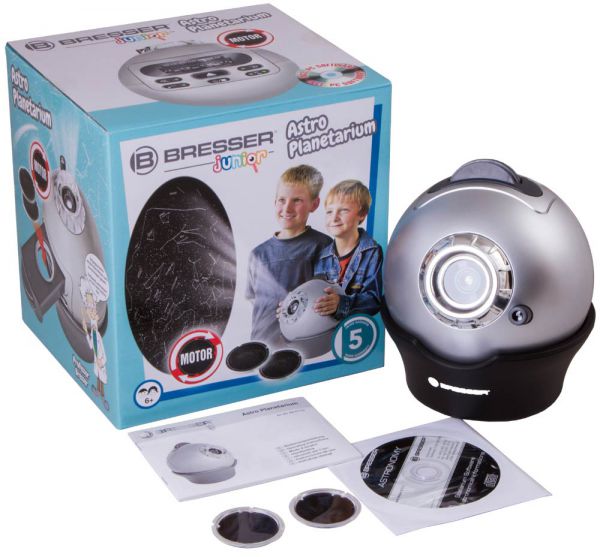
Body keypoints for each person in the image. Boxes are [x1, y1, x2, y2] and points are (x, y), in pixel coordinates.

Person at [246, 165, 331, 345]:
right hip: (260, 344)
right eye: (282, 200)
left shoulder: (322, 246)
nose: (287, 208)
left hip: (302, 346)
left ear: (314, 204)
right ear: (274, 202)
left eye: (297, 200)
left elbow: (324, 298)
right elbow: (253, 298)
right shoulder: (257, 254)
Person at [313, 179, 383, 319]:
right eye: (329, 211)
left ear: (362, 214)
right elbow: (314, 293)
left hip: (354, 327)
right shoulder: (322, 256)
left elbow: (373, 300)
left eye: (343, 210)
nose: (334, 218)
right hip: (326, 327)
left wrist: (342, 303)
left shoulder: (372, 252)